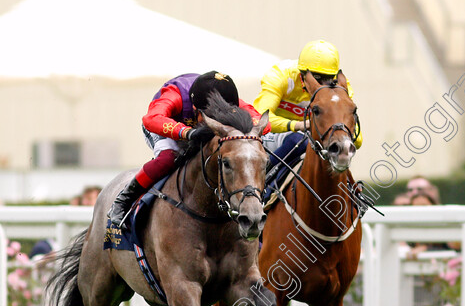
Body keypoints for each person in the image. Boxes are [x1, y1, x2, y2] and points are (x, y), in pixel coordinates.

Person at [108, 71, 265, 227]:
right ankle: (124, 200)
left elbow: (264, 123)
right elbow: (151, 119)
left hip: (197, 131)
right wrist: (187, 132)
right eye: (209, 117)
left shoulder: (230, 98)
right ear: (195, 107)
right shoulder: (175, 94)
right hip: (164, 127)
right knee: (168, 158)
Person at [253, 40, 361, 174]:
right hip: (274, 136)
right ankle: (265, 180)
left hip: (314, 137)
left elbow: (358, 139)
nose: (319, 84)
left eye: (326, 79)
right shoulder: (280, 76)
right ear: (301, 74)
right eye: (315, 78)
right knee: (298, 140)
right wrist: (298, 125)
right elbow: (258, 120)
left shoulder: (340, 87)